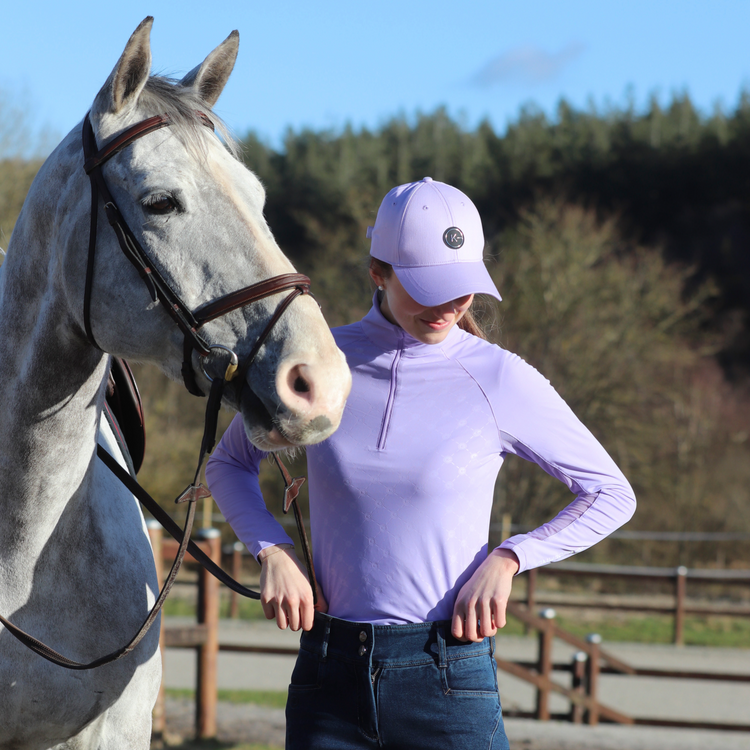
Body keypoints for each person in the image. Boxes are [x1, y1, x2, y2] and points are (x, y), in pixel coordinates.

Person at [206, 177, 636, 750]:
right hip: (328, 679)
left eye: (461, 289)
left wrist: (510, 558)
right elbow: (229, 463)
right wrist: (273, 551)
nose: (450, 306)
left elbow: (610, 493)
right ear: (377, 273)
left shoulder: (500, 378)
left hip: (448, 678)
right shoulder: (320, 365)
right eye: (427, 287)